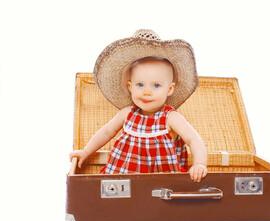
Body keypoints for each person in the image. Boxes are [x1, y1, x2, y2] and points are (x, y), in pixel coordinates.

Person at [69, 30, 208, 182]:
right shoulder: (126, 113)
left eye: (156, 85)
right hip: (123, 177)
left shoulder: (170, 118)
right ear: (130, 87)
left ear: (170, 89)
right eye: (140, 84)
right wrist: (86, 151)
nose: (146, 92)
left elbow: (194, 139)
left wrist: (199, 164)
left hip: (162, 182)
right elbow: (106, 132)